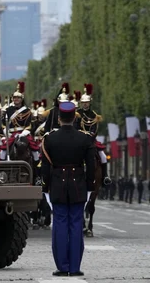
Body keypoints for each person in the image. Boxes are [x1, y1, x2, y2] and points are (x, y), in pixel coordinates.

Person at [41, 101, 96, 277]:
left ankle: (62, 266)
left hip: (57, 184)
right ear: (74, 117)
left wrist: (45, 187)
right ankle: (74, 267)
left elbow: (45, 168)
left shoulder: (49, 138)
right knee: (76, 225)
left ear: (59, 118)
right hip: (78, 186)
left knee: (60, 225)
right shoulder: (85, 138)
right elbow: (92, 166)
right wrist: (89, 187)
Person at [74, 83, 111, 186]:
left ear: (90, 103)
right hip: (79, 139)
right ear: (81, 103)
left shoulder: (94, 115)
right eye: (83, 102)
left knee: (103, 156)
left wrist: (91, 134)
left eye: (87, 102)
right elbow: (75, 127)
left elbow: (95, 129)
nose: (85, 104)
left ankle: (105, 177)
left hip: (90, 139)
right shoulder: (77, 113)